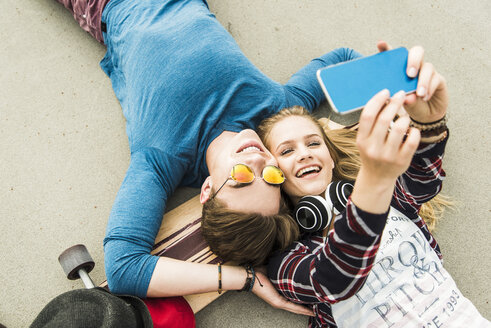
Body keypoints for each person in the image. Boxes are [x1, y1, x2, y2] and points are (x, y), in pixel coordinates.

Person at [54, 0, 388, 317]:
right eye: (273, 177)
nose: (258, 161)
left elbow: (123, 267)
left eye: (242, 176)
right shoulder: (275, 109)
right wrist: (392, 96)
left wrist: (243, 279)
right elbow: (341, 59)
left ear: (208, 190)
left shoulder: (160, 159)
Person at [255, 57, 491, 326]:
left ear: (331, 158)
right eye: (287, 151)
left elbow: (423, 181)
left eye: (313, 143)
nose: (305, 154)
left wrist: (429, 124)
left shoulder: (385, 195)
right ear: (275, 174)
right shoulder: (286, 258)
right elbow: (333, 281)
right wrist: (373, 183)